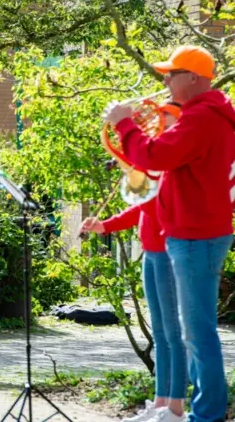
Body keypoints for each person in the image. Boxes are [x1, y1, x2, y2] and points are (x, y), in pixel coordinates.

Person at [105, 45, 235, 422]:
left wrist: (124, 124)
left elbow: (154, 157)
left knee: (198, 335)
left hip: (196, 236)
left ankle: (206, 416)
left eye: (171, 73)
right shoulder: (207, 115)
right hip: (196, 233)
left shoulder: (203, 117)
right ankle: (199, 412)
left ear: (193, 78)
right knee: (195, 333)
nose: (164, 80)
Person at [82, 103, 187, 422]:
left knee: (172, 332)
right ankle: (161, 404)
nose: (159, 119)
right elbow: (141, 208)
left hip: (169, 251)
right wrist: (104, 226)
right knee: (160, 331)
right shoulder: (156, 160)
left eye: (165, 115)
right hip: (152, 253)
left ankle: (177, 408)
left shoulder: (172, 158)